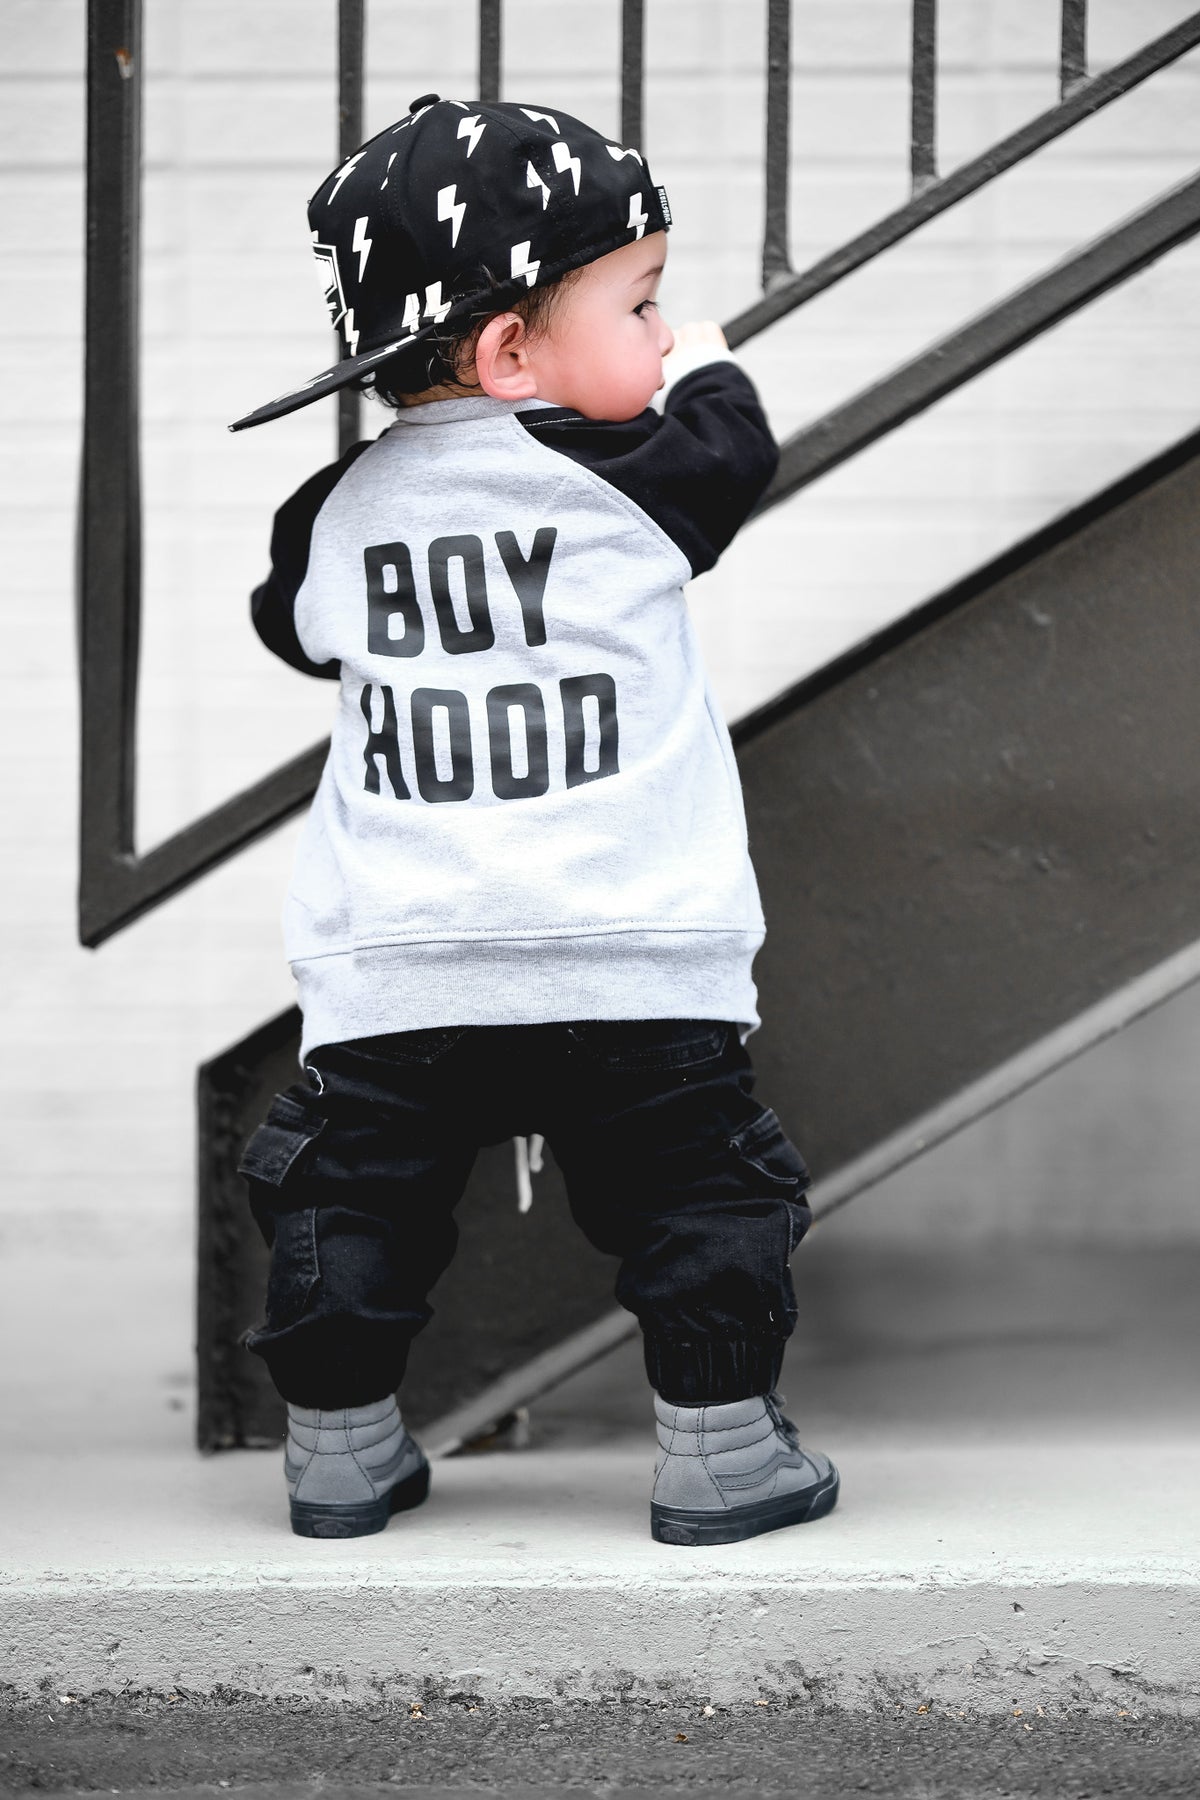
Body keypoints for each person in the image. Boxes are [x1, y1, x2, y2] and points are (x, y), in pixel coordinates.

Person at [231, 94, 839, 1546]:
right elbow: (731, 452)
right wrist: (713, 366)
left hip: (402, 962)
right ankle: (719, 1454)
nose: (663, 333)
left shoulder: (331, 513)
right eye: (643, 304)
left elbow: (290, 628)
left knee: (349, 1202)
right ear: (512, 351)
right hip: (633, 953)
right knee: (699, 1197)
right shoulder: (638, 477)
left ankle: (337, 1449)